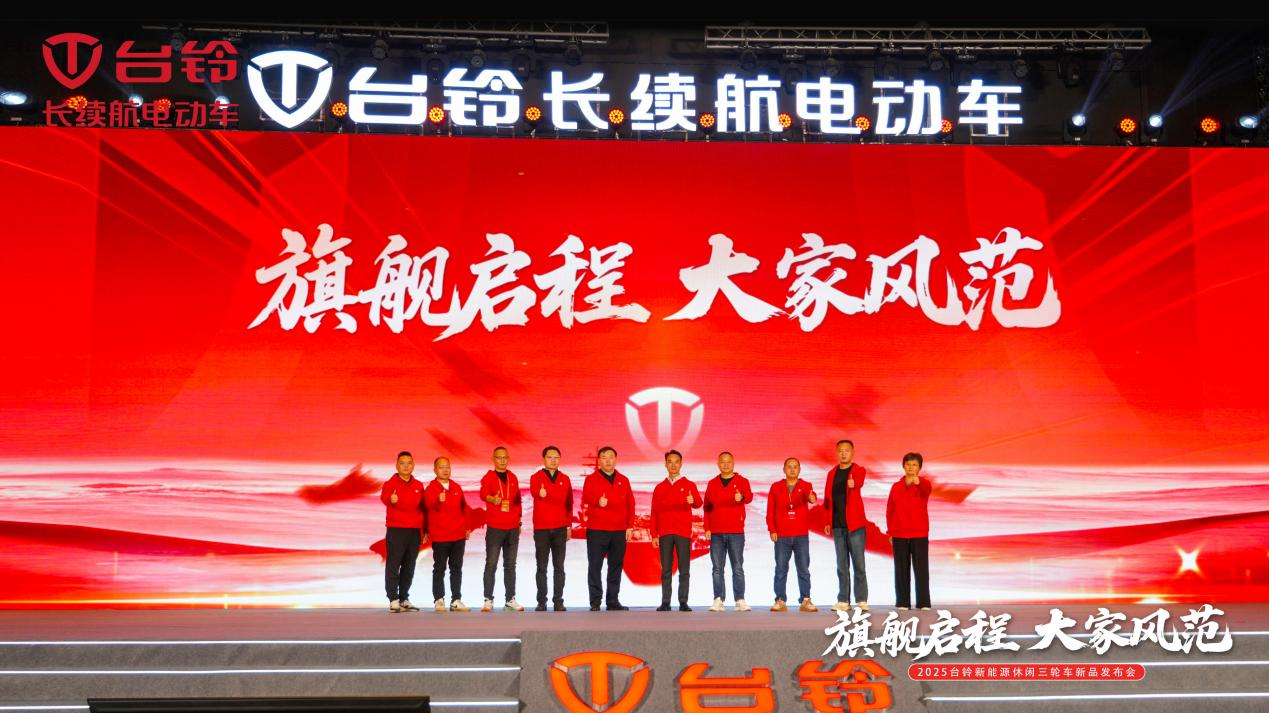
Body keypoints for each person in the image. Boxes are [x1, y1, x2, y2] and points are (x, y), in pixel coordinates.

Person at [582, 446, 635, 611]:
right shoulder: (591, 479)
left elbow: (630, 504)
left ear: (615, 459)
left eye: (611, 457)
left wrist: (630, 526)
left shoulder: (623, 480)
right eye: (604, 457)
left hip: (619, 530)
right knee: (595, 566)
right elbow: (586, 497)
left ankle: (612, 600)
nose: (608, 460)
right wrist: (597, 501)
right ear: (599, 460)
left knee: (616, 566)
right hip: (597, 529)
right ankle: (595, 601)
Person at [651, 450, 701, 612]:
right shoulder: (660, 487)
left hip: (683, 532)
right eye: (670, 462)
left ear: (681, 464)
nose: (673, 465)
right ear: (665, 464)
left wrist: (693, 500)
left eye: (676, 462)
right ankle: (665, 602)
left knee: (684, 569)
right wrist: (654, 534)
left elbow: (699, 503)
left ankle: (683, 602)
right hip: (665, 532)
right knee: (666, 570)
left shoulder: (689, 485)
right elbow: (654, 512)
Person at [766, 457, 818, 613]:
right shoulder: (776, 487)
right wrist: (772, 530)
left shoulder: (806, 485)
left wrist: (812, 498)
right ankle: (780, 600)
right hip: (782, 535)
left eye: (795, 466)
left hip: (801, 535)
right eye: (789, 466)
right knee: (781, 569)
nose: (792, 469)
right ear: (784, 469)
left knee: (803, 569)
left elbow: (811, 496)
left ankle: (806, 599)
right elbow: (770, 510)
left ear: (799, 469)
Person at [823, 439, 870, 611]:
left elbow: (859, 482)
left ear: (852, 452)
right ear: (837, 453)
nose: (843, 453)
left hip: (855, 525)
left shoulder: (858, 470)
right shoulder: (831, 473)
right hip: (837, 525)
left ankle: (861, 599)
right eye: (840, 451)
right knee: (842, 565)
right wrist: (827, 521)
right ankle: (843, 600)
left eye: (847, 450)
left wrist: (854, 483)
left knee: (859, 564)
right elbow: (827, 499)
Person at [703, 451, 753, 612]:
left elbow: (749, 497)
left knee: (737, 567)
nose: (725, 464)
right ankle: (718, 599)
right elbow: (707, 507)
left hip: (736, 532)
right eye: (722, 462)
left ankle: (740, 600)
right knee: (717, 568)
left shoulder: (742, 481)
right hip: (716, 532)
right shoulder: (712, 483)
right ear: (718, 464)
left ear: (733, 463)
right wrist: (707, 527)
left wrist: (742, 497)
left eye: (728, 462)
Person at [380, 450, 426, 613]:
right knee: (394, 564)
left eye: (409, 463)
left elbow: (423, 509)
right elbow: (384, 498)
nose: (406, 466)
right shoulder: (390, 484)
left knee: (409, 565)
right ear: (396, 465)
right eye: (402, 463)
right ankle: (393, 598)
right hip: (397, 529)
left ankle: (404, 598)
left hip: (414, 531)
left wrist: (425, 530)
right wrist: (390, 499)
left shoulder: (418, 485)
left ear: (413, 465)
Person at [887, 452, 933, 611]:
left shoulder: (924, 484)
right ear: (903, 466)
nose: (911, 467)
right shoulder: (896, 486)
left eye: (914, 465)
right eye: (908, 464)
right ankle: (902, 602)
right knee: (901, 569)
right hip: (899, 532)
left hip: (919, 532)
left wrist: (918, 482)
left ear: (919, 467)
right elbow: (890, 510)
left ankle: (923, 602)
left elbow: (927, 491)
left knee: (921, 569)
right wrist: (890, 531)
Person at [424, 456, 471, 612]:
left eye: (447, 467)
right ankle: (439, 599)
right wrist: (438, 500)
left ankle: (456, 600)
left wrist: (467, 527)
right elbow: (428, 506)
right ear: (435, 470)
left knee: (456, 568)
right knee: (439, 568)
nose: (445, 470)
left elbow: (464, 508)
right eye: (441, 467)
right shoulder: (431, 488)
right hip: (440, 535)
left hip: (458, 535)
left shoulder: (456, 487)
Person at [480, 446, 524, 612]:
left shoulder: (513, 477)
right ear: (493, 459)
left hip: (512, 527)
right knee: (491, 564)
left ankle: (510, 599)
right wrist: (493, 499)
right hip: (495, 527)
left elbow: (518, 501)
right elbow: (483, 494)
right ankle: (488, 599)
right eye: (499, 457)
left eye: (505, 457)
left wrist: (519, 521)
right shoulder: (488, 477)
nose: (503, 460)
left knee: (510, 565)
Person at [530, 445, 572, 611]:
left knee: (559, 567)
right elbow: (534, 492)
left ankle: (558, 601)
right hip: (542, 528)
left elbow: (569, 503)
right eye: (550, 457)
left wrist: (569, 525)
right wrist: (539, 493)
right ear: (544, 459)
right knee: (541, 567)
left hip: (560, 527)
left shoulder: (565, 478)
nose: (553, 460)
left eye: (556, 458)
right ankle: (541, 601)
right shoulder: (536, 477)